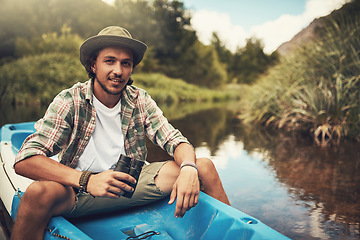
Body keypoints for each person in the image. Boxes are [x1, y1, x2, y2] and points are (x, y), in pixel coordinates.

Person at [11, 26, 230, 240]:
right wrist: (87, 180)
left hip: (131, 185)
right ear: (93, 65)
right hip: (79, 192)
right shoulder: (70, 101)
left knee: (203, 167)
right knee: (38, 193)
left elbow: (174, 140)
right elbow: (26, 159)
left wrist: (189, 168)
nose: (118, 70)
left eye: (126, 63)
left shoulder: (139, 99)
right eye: (109, 61)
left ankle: (236, 234)